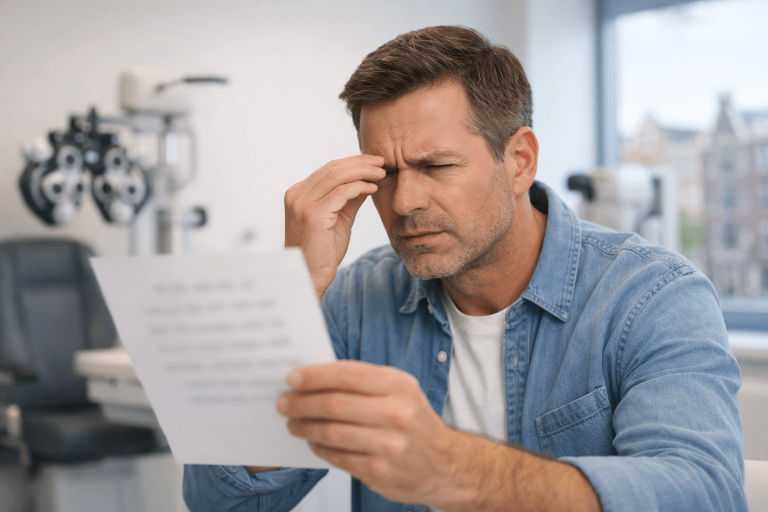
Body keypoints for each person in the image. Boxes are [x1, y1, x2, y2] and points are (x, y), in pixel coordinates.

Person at [183, 26, 746, 512]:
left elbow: (703, 493)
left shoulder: (652, 295)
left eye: (436, 166)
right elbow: (224, 499)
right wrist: (291, 291)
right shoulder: (357, 298)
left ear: (520, 160)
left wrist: (453, 466)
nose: (404, 203)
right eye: (387, 174)